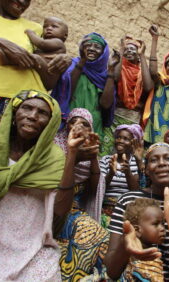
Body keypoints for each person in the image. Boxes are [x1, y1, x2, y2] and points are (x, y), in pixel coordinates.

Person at [0, 90, 82, 280]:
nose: (32, 116)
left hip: (30, 246)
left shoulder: (54, 158)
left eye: (42, 113)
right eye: (27, 108)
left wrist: (72, 153)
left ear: (50, 124)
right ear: (14, 114)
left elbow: (60, 209)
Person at [104, 143, 169, 281]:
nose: (161, 163)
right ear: (146, 170)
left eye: (168, 158)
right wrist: (125, 244)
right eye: (154, 160)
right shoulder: (128, 201)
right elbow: (110, 271)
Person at [0, 1, 69, 141]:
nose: (23, 2)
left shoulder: (34, 29)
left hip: (24, 107)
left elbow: (49, 81)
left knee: (11, 159)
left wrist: (61, 61)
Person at [54, 108, 109, 281]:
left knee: (100, 238)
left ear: (91, 130)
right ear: (66, 125)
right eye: (73, 121)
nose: (78, 126)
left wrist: (92, 156)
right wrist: (73, 154)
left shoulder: (91, 154)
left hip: (76, 212)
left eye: (85, 124)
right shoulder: (55, 148)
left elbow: (92, 192)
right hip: (53, 209)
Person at [51, 32, 119, 155]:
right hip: (69, 123)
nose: (92, 49)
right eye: (88, 45)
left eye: (97, 47)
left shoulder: (105, 74)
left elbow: (105, 104)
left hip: (93, 125)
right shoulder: (73, 65)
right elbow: (67, 91)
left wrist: (111, 71)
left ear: (104, 53)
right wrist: (82, 62)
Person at [103, 36, 152, 155]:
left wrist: (142, 55)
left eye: (133, 49)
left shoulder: (142, 72)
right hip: (114, 118)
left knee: (127, 155)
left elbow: (148, 87)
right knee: (107, 151)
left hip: (133, 120)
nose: (129, 51)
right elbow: (115, 77)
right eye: (127, 49)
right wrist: (121, 49)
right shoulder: (119, 68)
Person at [99, 124, 143, 228]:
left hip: (127, 211)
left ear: (133, 143)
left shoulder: (136, 162)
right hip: (105, 209)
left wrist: (127, 172)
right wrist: (111, 173)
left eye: (126, 139)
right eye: (118, 137)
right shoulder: (106, 160)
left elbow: (136, 191)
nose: (120, 141)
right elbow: (100, 188)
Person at [121, 198, 166, 281]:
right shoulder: (139, 260)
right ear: (137, 230)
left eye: (163, 223)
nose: (162, 228)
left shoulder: (154, 255)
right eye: (156, 224)